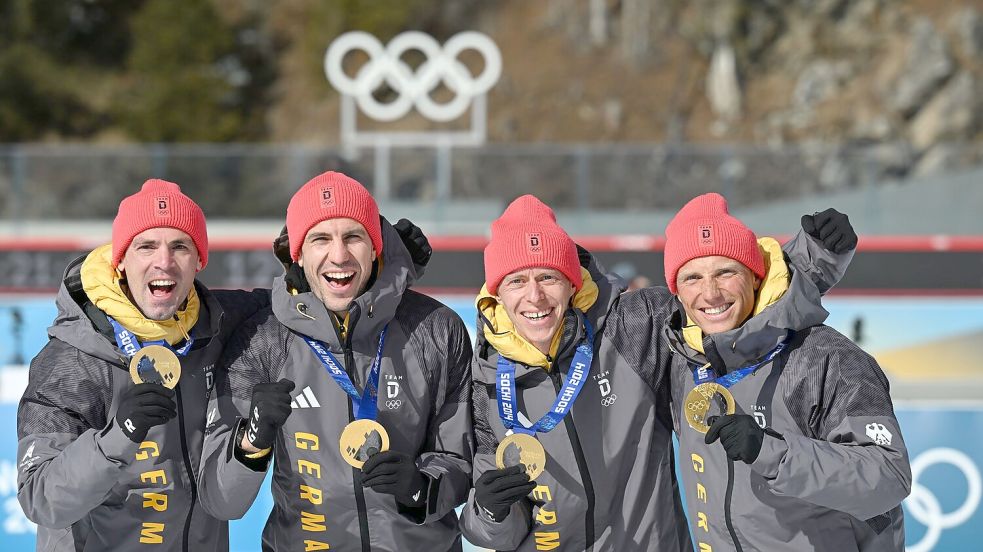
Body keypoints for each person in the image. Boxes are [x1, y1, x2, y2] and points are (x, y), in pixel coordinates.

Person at [459, 195, 856, 551]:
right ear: (497, 293)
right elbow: (496, 533)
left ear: (571, 283)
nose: (535, 297)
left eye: (547, 277)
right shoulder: (487, 381)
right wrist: (490, 512)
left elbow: (723, 300)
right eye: (516, 281)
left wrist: (815, 255)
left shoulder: (631, 328)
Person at [198, 171, 473, 551]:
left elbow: (460, 458)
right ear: (298, 252)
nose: (339, 255)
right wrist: (251, 440)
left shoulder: (436, 330)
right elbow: (221, 500)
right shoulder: (263, 341)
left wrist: (420, 488)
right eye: (320, 239)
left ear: (376, 247)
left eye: (353, 236)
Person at [16, 179, 270, 551]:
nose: (163, 262)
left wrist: (386, 253)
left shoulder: (219, 323)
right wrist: (117, 435)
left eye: (180, 246)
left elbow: (303, 298)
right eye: (146, 246)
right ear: (120, 260)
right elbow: (40, 498)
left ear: (200, 260)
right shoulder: (72, 358)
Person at [662, 193, 909, 550]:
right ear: (678, 294)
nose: (710, 293)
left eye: (726, 272)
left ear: (756, 277)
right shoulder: (681, 358)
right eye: (692, 277)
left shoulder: (826, 359)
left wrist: (772, 451)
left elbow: (888, 477)